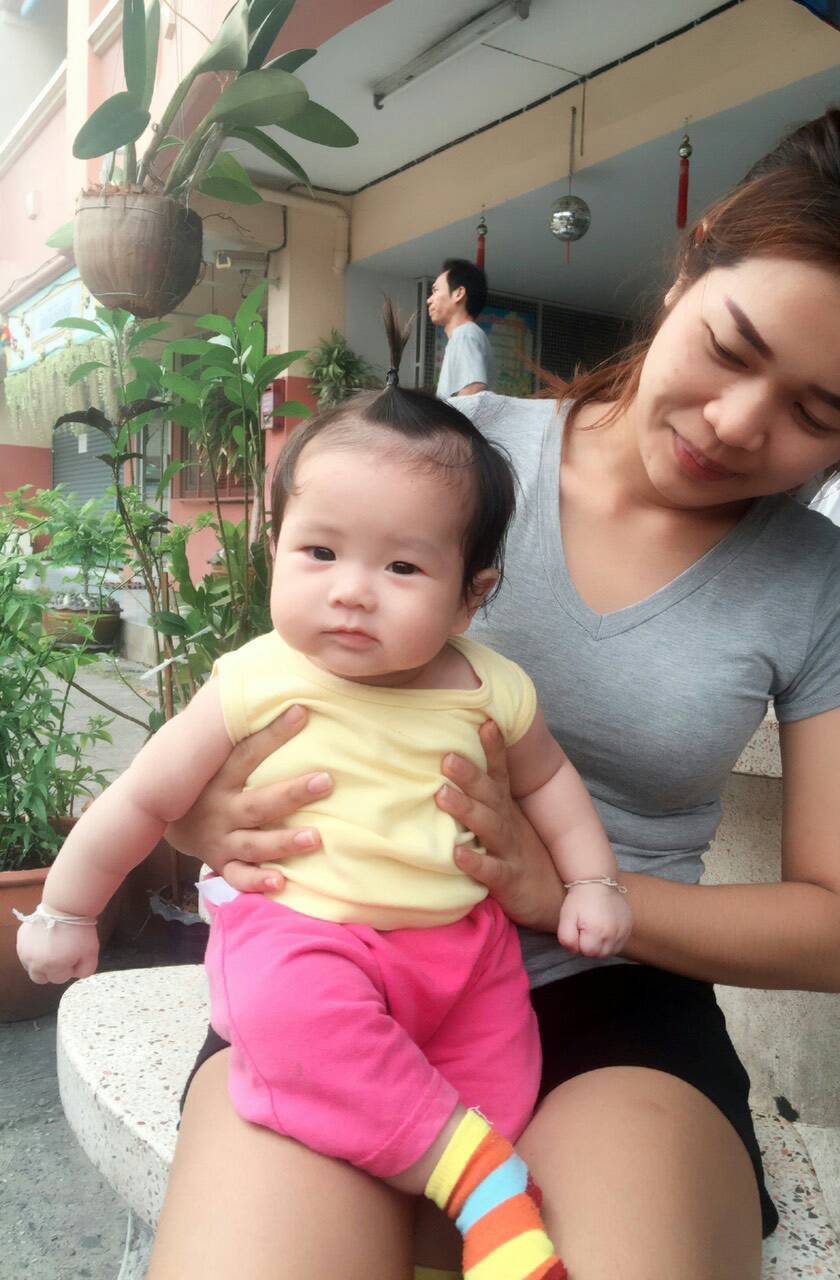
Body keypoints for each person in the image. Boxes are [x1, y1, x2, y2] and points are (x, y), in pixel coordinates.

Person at [142, 98, 840, 1280]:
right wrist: (196, 813)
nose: (739, 423)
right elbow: (256, 693)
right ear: (693, 262)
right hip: (333, 969)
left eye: (818, 413)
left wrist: (568, 886)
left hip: (609, 1000)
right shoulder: (450, 460)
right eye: (733, 348)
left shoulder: (824, 582)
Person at [16, 308, 635, 1280]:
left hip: (463, 951)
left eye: (402, 566)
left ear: (471, 595)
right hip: (306, 936)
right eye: (319, 552)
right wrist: (66, 905)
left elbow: (550, 782)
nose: (352, 589)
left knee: (499, 1076)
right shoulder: (257, 679)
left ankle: (451, 1197)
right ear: (277, 547)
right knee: (290, 1019)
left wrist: (594, 881)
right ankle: (478, 1177)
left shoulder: (492, 688)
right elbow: (141, 797)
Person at [428, 258, 494, 397]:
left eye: (435, 291)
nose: (429, 300)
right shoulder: (466, 335)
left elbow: (473, 388)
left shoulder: (464, 334)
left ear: (458, 294)